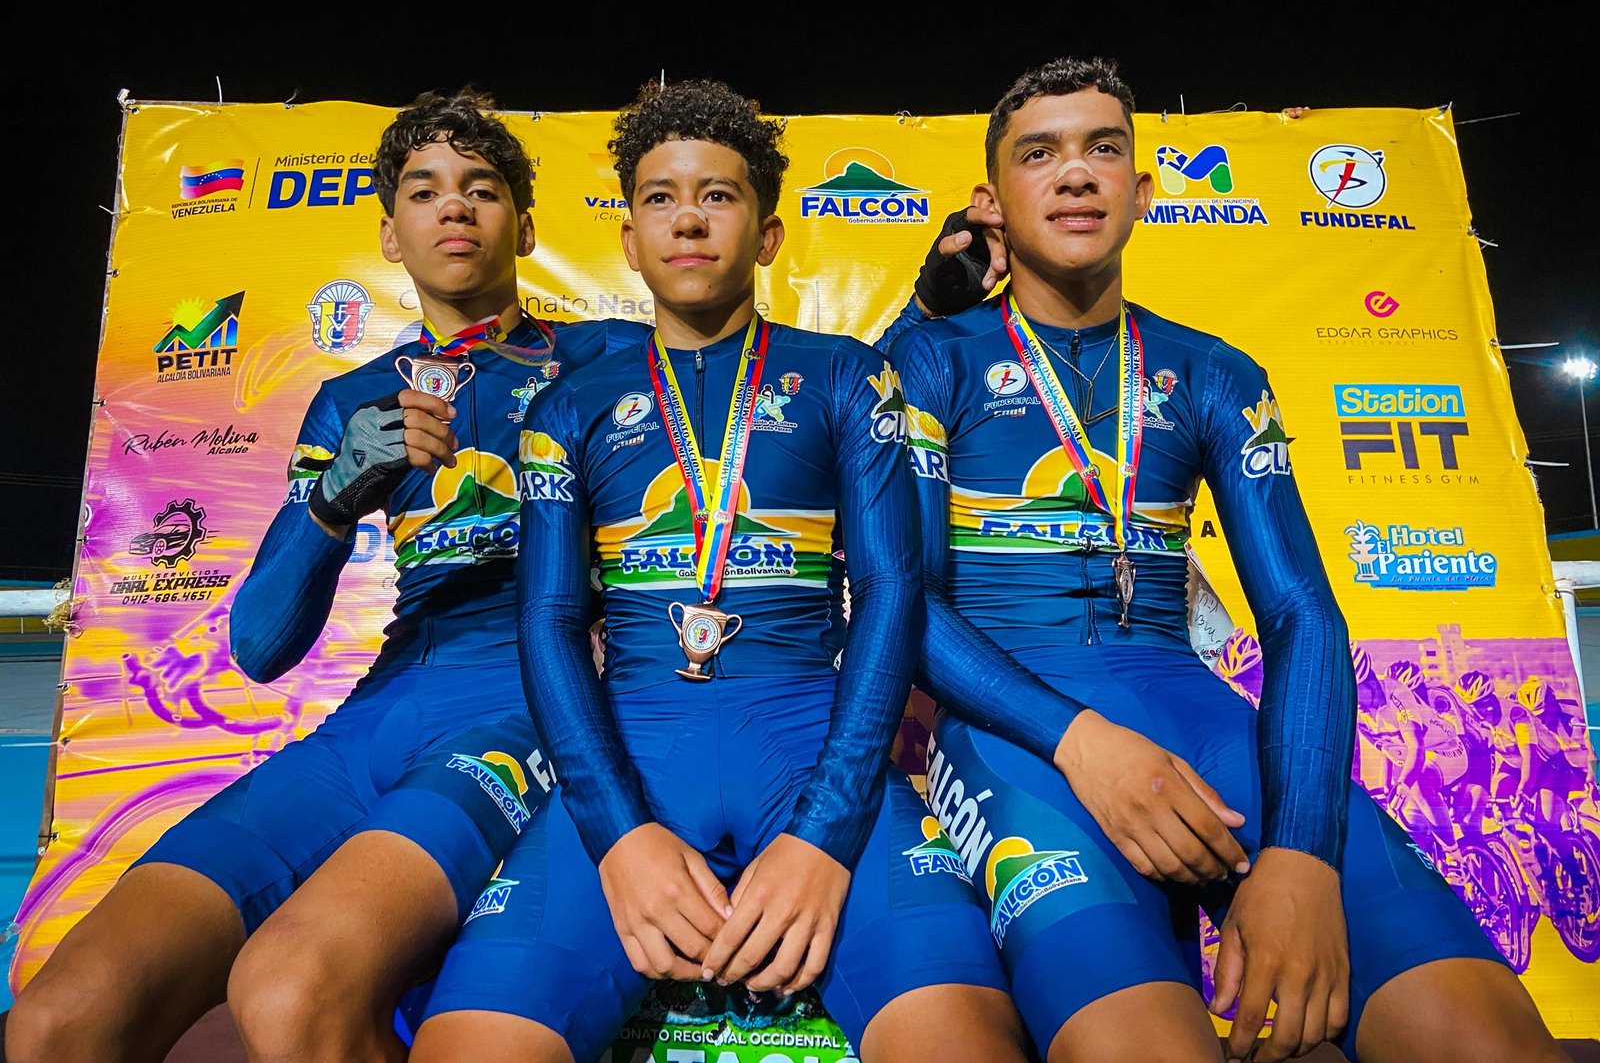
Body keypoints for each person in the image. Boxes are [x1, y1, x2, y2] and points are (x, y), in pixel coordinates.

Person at [886, 57, 1563, 1063]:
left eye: (1102, 149)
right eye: (1039, 153)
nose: (1074, 173)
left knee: (1489, 1041)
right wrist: (1081, 742)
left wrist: (1301, 853)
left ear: (1141, 190)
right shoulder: (927, 359)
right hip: (1013, 737)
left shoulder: (1213, 371)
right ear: (992, 201)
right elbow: (901, 602)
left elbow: (1300, 616)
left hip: (1200, 725)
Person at [7, 90, 650, 1063]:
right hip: (374, 716)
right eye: (424, 191)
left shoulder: (615, 356)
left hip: (530, 705)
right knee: (59, 1021)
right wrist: (333, 500)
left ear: (524, 227)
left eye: (481, 189)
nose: (454, 207)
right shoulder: (352, 399)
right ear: (390, 235)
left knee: (292, 993)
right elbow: (261, 647)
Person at [408, 79, 1028, 1063]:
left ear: (769, 235)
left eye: (718, 195)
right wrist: (617, 835)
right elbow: (551, 623)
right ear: (628, 240)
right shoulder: (567, 408)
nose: (688, 218)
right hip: (628, 768)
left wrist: (826, 835)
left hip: (817, 760)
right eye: (660, 197)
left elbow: (889, 593)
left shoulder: (847, 375)